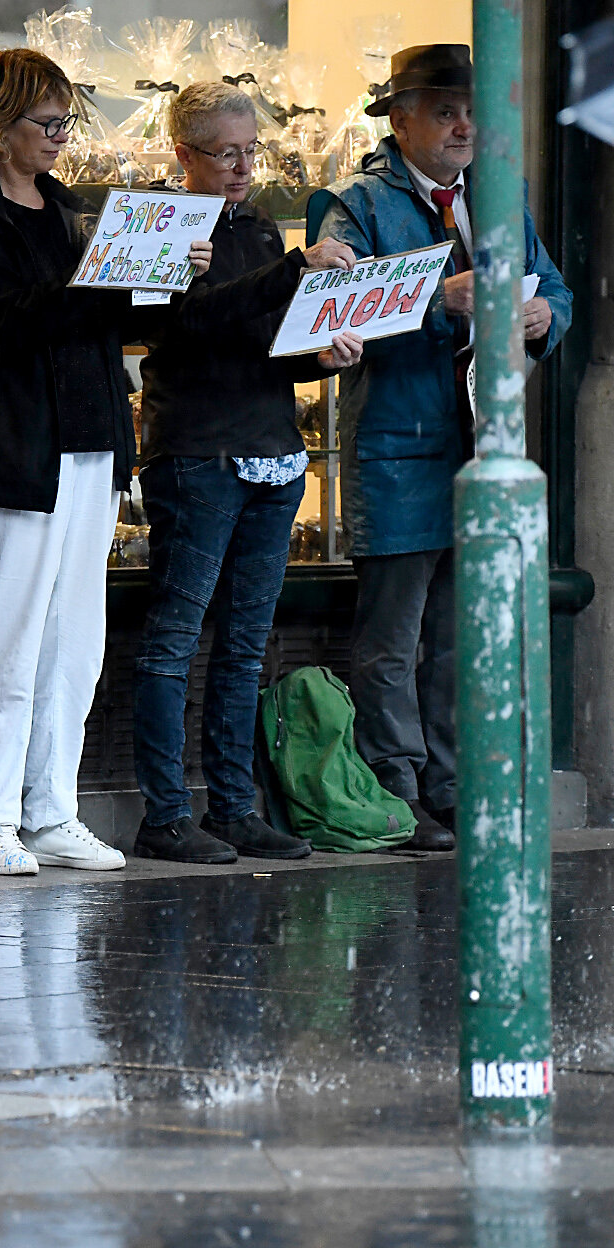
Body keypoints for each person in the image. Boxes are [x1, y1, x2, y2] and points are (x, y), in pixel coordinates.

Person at [0, 48, 210, 872]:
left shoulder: (64, 207)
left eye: (66, 122)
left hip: (92, 442)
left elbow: (104, 323)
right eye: (46, 123)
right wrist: (111, 280)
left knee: (74, 643)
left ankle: (52, 808)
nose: (61, 137)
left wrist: (164, 278)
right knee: (7, 639)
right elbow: (1, 324)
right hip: (16, 448)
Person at [310, 44, 572, 848]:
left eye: (471, 111)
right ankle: (398, 784)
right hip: (395, 440)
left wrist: (545, 321)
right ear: (402, 121)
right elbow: (335, 306)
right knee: (393, 637)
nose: (464, 125)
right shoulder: (354, 202)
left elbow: (553, 286)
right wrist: (437, 298)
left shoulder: (498, 197)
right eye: (445, 111)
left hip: (479, 445)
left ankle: (453, 784)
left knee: (458, 633)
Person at [130, 83, 366, 864]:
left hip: (272, 453)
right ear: (183, 155)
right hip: (198, 454)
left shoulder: (263, 227)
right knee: (173, 641)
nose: (241, 167)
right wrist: (294, 267)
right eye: (225, 153)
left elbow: (261, 339)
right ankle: (166, 813)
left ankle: (233, 807)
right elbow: (186, 321)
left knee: (245, 644)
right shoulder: (161, 224)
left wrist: (318, 354)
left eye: (249, 151)